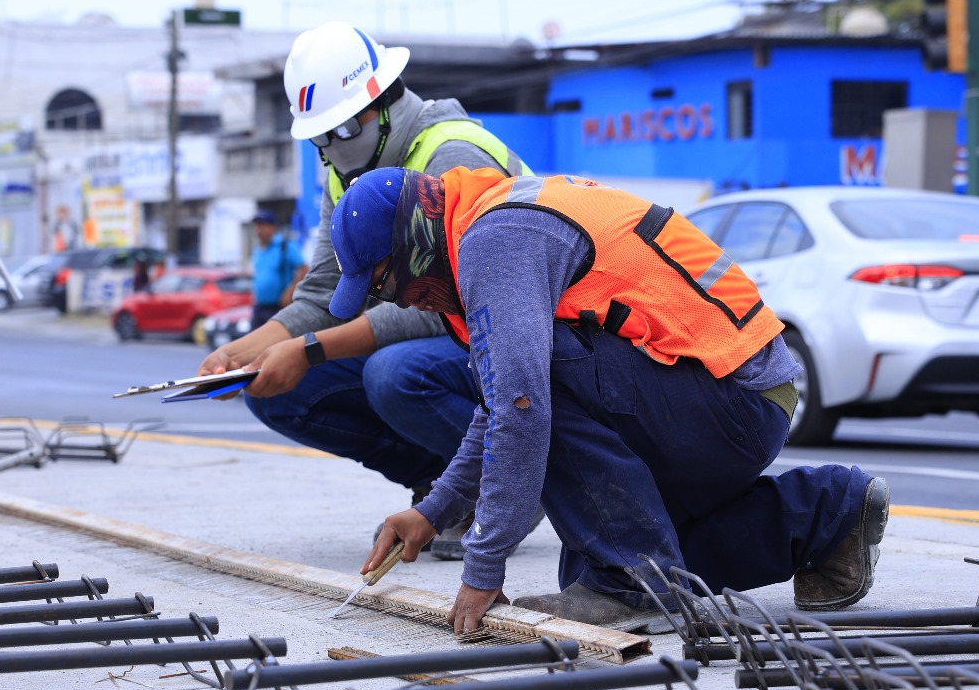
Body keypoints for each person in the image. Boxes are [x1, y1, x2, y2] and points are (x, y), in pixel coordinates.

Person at [329, 167, 891, 635]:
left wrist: (483, 567)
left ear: (414, 245)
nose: (396, 298)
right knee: (600, 555)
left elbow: (522, 407)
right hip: (722, 397)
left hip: (733, 400)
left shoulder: (495, 240)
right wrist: (433, 512)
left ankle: (635, 584)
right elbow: (501, 400)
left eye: (385, 282)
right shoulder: (480, 227)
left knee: (619, 561)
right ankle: (828, 511)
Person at [198, 21, 536, 559]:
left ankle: (506, 483)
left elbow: (450, 307)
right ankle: (442, 482)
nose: (332, 150)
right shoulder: (347, 174)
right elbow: (326, 290)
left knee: (395, 373)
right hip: (460, 343)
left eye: (342, 131)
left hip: (511, 346)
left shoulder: (451, 157)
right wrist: (248, 350)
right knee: (275, 387)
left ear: (384, 103)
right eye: (320, 138)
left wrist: (309, 348)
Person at [248, 210, 308, 330]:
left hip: (279, 307)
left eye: (262, 225)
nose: (258, 230)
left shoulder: (284, 246)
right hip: (260, 307)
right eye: (257, 226)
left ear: (273, 227)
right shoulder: (258, 251)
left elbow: (304, 269)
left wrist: (290, 292)